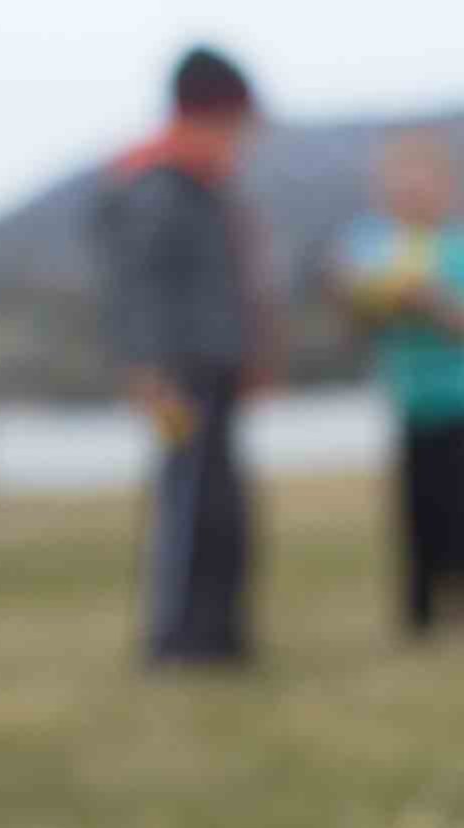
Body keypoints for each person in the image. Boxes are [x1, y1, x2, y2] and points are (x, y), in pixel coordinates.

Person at [95, 47, 267, 664]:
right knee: (188, 502)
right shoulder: (157, 187)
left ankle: (219, 636)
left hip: (215, 368)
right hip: (178, 374)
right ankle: (177, 641)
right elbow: (140, 286)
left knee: (220, 503)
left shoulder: (205, 186)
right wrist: (147, 369)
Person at [332, 131, 464, 635]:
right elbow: (353, 324)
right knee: (415, 515)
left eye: (420, 186)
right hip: (407, 400)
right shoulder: (373, 247)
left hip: (461, 399)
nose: (408, 197)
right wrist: (367, 297)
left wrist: (435, 303)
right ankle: (420, 619)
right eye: (398, 188)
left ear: (447, 188)